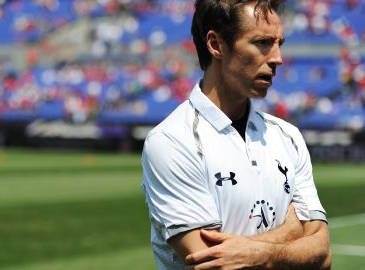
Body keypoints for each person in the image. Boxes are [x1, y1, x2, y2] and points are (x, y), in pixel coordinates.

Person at [141, 0, 331, 269]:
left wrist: (259, 255)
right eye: (263, 42)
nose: (277, 58)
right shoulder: (172, 141)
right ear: (216, 44)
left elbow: (322, 255)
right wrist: (293, 233)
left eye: (280, 43)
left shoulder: (287, 136)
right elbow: (213, 264)